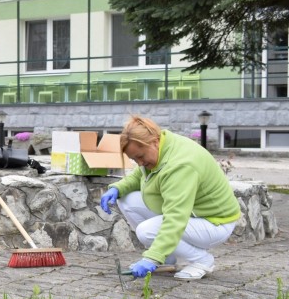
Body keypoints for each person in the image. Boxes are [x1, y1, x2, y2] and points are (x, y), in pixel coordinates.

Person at [100, 115, 241, 280]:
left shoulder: (180, 166)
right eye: (134, 159)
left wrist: (152, 257)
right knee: (127, 199)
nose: (139, 163)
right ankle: (167, 258)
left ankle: (202, 260)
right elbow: (140, 174)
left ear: (154, 142)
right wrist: (117, 188)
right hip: (194, 214)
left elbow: (175, 218)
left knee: (147, 231)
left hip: (215, 222)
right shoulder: (162, 145)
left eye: (140, 156)